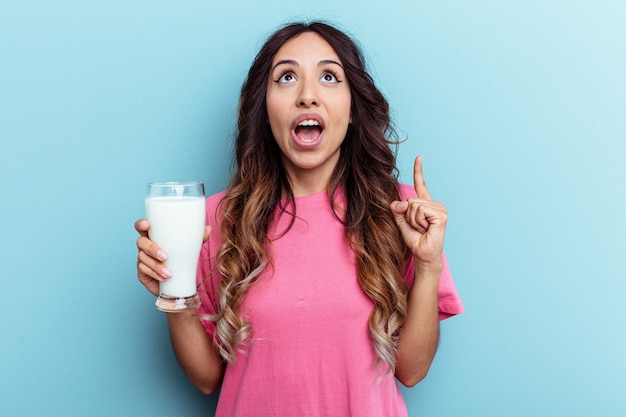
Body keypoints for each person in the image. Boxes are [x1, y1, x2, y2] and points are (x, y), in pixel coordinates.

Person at [135, 21, 463, 416]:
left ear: (354, 108)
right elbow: (207, 379)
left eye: (329, 77)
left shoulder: (402, 215)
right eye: (287, 77)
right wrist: (174, 294)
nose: (308, 96)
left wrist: (427, 266)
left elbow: (412, 371)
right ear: (265, 110)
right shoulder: (215, 219)